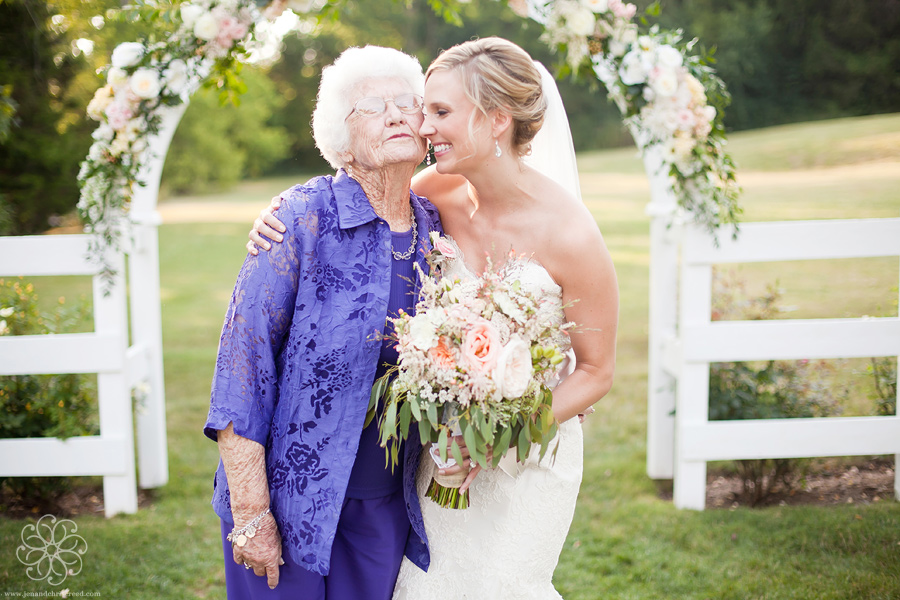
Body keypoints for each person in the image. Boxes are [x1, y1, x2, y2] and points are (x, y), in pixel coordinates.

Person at [248, 37, 619, 599]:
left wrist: (498, 440)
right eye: (427, 110)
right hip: (440, 452)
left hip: (524, 457)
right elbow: (358, 195)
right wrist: (276, 214)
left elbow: (596, 372)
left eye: (440, 112)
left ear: (497, 121)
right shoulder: (434, 193)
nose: (423, 126)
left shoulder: (571, 234)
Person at [204, 45, 443, 600]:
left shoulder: (437, 228)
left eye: (409, 102)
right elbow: (244, 364)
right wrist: (251, 510)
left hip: (386, 501)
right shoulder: (299, 218)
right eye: (373, 107)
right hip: (288, 501)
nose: (396, 115)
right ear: (341, 135)